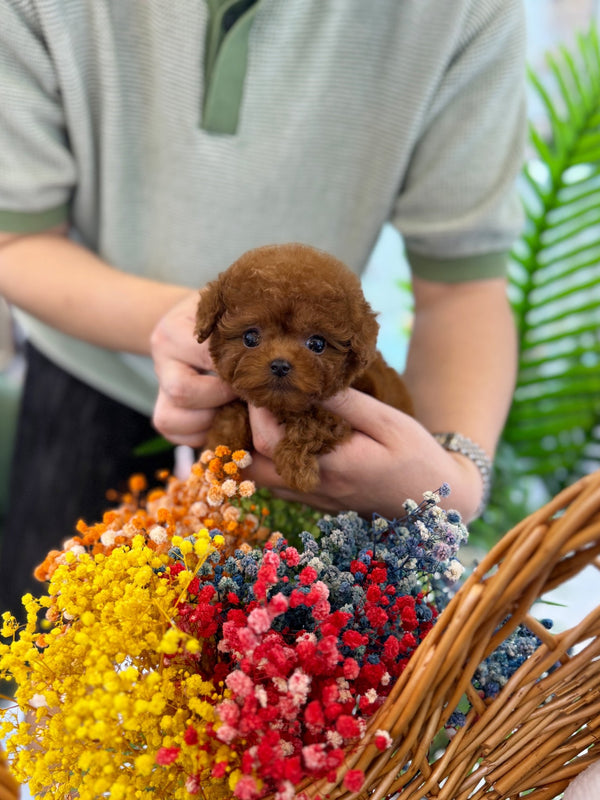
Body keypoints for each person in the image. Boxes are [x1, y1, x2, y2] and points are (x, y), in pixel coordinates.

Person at [0, 0, 526, 616]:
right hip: (85, 392)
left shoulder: (465, 12)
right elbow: (15, 236)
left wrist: (454, 476)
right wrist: (171, 318)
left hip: (331, 448)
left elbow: (463, 283)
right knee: (40, 675)